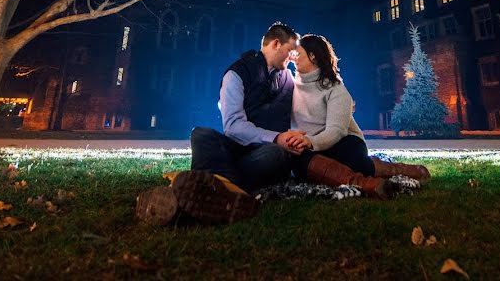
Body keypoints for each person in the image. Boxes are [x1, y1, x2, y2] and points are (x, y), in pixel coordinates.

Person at [157, 22, 308, 224]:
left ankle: (208, 192)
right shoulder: (236, 74)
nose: (292, 57)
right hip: (237, 149)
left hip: (265, 154)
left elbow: (305, 106)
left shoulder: (289, 78)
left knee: (277, 154)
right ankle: (227, 195)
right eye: (290, 51)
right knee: (201, 134)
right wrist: (276, 137)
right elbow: (234, 127)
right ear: (276, 44)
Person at [286, 34, 431, 199]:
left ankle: (398, 170)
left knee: (352, 160)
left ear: (312, 55)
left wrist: (311, 141)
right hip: (313, 150)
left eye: (297, 52)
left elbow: (336, 131)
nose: (292, 55)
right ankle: (368, 184)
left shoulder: (335, 89)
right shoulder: (290, 84)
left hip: (343, 143)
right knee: (298, 159)